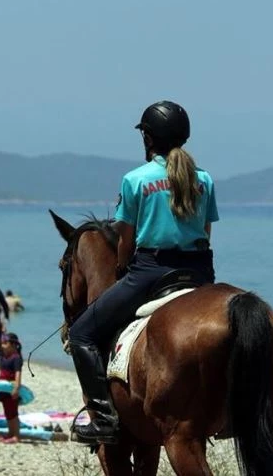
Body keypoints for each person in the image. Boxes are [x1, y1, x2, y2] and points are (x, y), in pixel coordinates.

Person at [67, 100, 219, 444]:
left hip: (150, 271)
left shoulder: (135, 179)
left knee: (81, 334)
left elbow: (126, 238)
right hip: (199, 273)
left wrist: (122, 266)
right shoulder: (204, 180)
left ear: (148, 138)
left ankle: (104, 420)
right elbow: (206, 233)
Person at [0, 333, 24, 444]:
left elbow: (18, 374)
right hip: (3, 388)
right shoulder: (4, 357)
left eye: (5, 343)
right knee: (7, 412)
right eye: (2, 342)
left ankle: (16, 436)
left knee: (13, 413)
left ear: (13, 345)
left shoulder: (16, 358)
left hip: (11, 388)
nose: (2, 345)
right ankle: (10, 433)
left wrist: (16, 388)